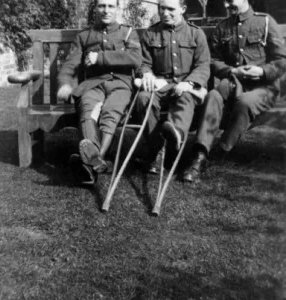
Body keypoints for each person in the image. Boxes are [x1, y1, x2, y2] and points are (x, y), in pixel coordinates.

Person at [182, 0, 286, 182]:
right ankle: (200, 155)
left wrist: (262, 71)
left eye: (230, 0)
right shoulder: (223, 27)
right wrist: (232, 71)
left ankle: (222, 148)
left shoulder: (266, 22)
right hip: (233, 83)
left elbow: (281, 60)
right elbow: (213, 61)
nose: (226, 4)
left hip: (264, 88)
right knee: (213, 95)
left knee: (245, 102)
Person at [57, 0, 142, 185]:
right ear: (95, 8)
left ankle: (89, 163)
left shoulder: (127, 32)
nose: (106, 10)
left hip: (120, 84)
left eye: (111, 6)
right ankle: (96, 161)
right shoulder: (85, 36)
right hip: (93, 85)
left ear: (118, 8)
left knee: (111, 113)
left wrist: (100, 57)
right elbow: (69, 65)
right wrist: (64, 83)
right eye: (102, 6)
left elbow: (135, 58)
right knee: (88, 110)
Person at [135, 0, 211, 173]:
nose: (165, 13)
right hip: (160, 86)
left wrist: (190, 82)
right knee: (143, 98)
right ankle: (157, 150)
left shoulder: (195, 33)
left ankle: (175, 137)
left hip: (185, 85)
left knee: (185, 96)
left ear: (183, 9)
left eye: (171, 9)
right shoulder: (151, 33)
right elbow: (143, 63)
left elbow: (203, 65)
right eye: (162, 8)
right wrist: (146, 73)